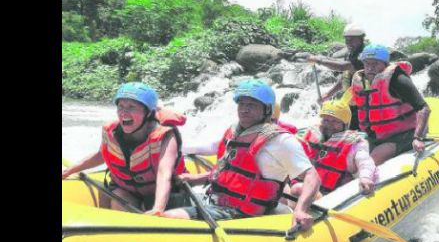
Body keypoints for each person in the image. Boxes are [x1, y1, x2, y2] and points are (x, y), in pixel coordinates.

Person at [162, 79, 321, 232]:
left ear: (267, 109)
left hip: (241, 213)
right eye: (242, 104)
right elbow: (227, 171)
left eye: (251, 105)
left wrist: (300, 209)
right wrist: (195, 178)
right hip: (216, 200)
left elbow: (311, 175)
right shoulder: (235, 132)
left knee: (170, 217)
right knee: (168, 197)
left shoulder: (280, 140)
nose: (244, 109)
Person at [61, 82, 188, 215]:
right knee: (113, 196)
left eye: (131, 107)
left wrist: (158, 208)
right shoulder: (112, 131)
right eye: (120, 107)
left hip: (161, 196)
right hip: (128, 191)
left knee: (119, 200)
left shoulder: (166, 136)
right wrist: (68, 171)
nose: (124, 112)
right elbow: (100, 155)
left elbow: (164, 174)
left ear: (148, 113)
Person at [349, 44, 431, 165]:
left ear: (385, 64)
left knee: (374, 158)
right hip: (377, 136)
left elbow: (424, 108)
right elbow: (357, 113)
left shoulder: (397, 79)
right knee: (351, 160)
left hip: (407, 133)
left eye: (375, 64)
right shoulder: (361, 83)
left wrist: (417, 138)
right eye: (367, 64)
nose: (370, 68)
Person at [288, 100, 377, 200]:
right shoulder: (311, 134)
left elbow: (365, 162)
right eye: (326, 120)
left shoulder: (354, 143)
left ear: (345, 124)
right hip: (306, 188)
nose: (329, 125)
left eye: (335, 121)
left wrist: (365, 177)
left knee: (298, 189)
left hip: (332, 198)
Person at [306, 23, 366, 104]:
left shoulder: (364, 55)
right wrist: (328, 94)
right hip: (353, 98)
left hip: (365, 100)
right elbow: (345, 78)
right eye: (347, 40)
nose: (348, 43)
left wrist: (318, 60)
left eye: (352, 39)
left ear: (360, 39)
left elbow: (342, 67)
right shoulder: (352, 53)